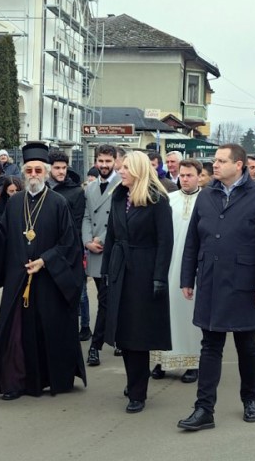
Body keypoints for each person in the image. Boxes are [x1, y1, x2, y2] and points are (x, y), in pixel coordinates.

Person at [178, 144, 255, 431]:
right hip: (211, 282)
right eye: (215, 160)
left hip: (245, 285)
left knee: (247, 345)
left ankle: (250, 399)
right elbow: (193, 240)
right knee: (210, 345)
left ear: (239, 165)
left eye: (222, 161)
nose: (215, 165)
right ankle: (204, 409)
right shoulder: (206, 195)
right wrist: (187, 278)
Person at [0, 142, 87, 400]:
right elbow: (4, 234)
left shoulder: (59, 203)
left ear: (46, 173)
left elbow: (69, 244)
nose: (34, 174)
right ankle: (15, 382)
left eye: (38, 170)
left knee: (47, 331)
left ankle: (48, 379)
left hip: (49, 280)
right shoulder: (15, 202)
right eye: (29, 170)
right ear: (24, 172)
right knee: (15, 332)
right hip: (18, 277)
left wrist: (45, 260)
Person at [102, 151, 174, 413]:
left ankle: (137, 392)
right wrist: (107, 270)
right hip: (120, 269)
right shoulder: (119, 197)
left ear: (139, 170)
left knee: (138, 334)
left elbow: (165, 242)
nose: (120, 171)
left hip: (144, 272)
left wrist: (159, 277)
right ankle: (134, 380)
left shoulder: (157, 200)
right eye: (120, 167)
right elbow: (111, 236)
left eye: (125, 168)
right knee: (123, 332)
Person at [151, 158, 203, 384]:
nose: (185, 179)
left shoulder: (207, 201)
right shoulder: (168, 200)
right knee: (165, 313)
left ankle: (192, 363)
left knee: (191, 316)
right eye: (182, 175)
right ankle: (162, 360)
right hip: (169, 265)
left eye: (190, 175)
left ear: (199, 176)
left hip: (194, 269)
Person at [82, 144, 120, 367]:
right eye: (101, 161)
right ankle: (116, 337)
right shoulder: (90, 188)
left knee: (107, 300)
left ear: (115, 161)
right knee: (105, 298)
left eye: (108, 161)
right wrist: (88, 241)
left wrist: (102, 240)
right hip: (95, 251)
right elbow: (86, 216)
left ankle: (95, 347)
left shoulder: (123, 184)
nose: (104, 165)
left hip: (113, 250)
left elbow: (120, 218)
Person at [48, 149, 87, 339]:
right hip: (46, 250)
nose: (61, 171)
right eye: (57, 168)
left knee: (77, 292)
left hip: (71, 250)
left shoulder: (76, 191)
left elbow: (77, 224)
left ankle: (83, 326)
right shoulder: (43, 189)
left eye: (64, 167)